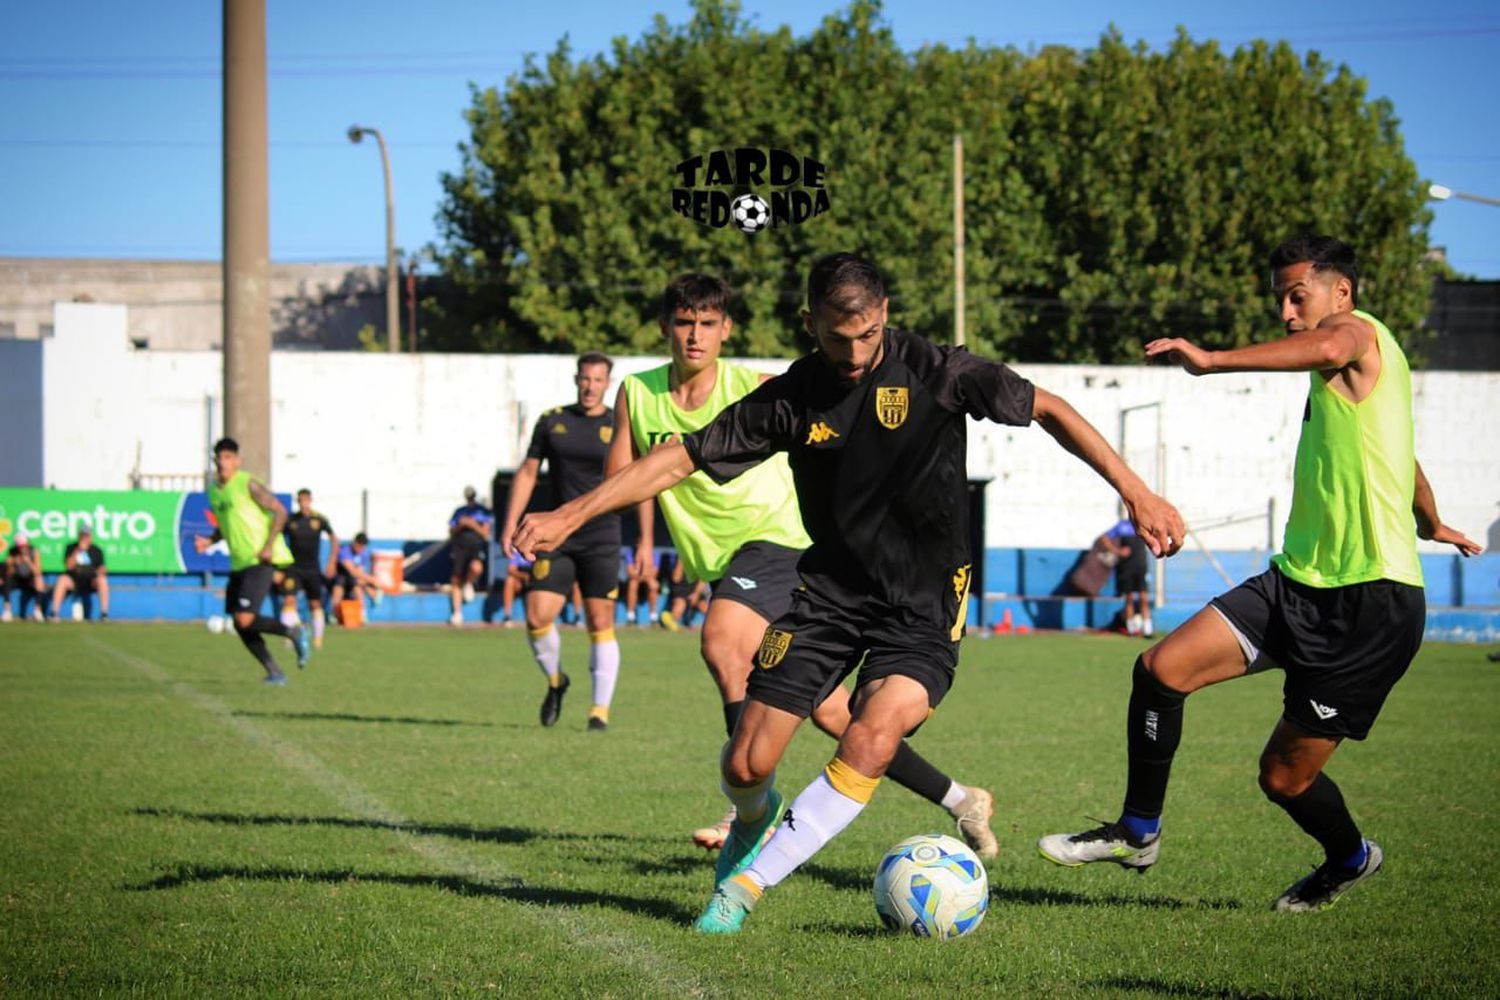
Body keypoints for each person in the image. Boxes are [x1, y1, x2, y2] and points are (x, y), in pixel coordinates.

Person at [514, 254, 1183, 933]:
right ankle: (751, 820)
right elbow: (679, 457)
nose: (856, 352)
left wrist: (1134, 490)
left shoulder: (939, 371)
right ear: (809, 324)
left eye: (867, 334)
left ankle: (743, 888)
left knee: (871, 729)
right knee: (747, 764)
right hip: (829, 594)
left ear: (885, 313)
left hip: (924, 603)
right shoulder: (792, 395)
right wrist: (568, 515)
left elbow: (1050, 408)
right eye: (838, 338)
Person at [1039, 235, 1482, 912]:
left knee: (1283, 778)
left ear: (1342, 292)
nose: (1285, 311)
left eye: (1297, 295)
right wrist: (1431, 522)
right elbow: (1407, 460)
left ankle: (1350, 859)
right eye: (1279, 297)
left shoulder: (1359, 336)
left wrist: (1210, 360)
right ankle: (1138, 830)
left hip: (1370, 607)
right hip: (1295, 583)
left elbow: (1334, 345)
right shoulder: (1350, 386)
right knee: (1160, 671)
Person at [500, 352, 622, 731]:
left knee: (599, 621)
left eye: (598, 380)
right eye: (585, 379)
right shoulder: (552, 421)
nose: (590, 386)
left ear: (608, 384)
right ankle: (557, 680)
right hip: (557, 533)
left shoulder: (620, 424)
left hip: (602, 533)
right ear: (576, 380)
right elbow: (528, 471)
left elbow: (639, 479)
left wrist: (647, 540)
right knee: (537, 615)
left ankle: (599, 712)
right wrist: (510, 525)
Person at [194, 437, 309, 684]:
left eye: (228, 458)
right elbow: (226, 525)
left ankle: (293, 631)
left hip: (259, 559)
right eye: (219, 458)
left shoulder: (247, 484)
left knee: (245, 618)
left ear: (237, 460)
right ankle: (274, 671)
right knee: (239, 623)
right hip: (238, 563)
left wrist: (268, 546)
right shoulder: (214, 491)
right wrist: (209, 541)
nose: (223, 463)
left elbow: (280, 510)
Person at [280, 489, 339, 647]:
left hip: (312, 569)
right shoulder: (291, 520)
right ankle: (289, 637)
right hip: (293, 568)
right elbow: (277, 537)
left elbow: (334, 538)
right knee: (289, 600)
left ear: (310, 500)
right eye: (301, 501)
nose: (303, 504)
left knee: (315, 604)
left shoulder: (319, 519)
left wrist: (331, 561)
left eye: (306, 500)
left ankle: (318, 639)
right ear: (297, 502)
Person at [1097, 517, 1151, 636]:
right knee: (1129, 598)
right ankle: (1131, 629)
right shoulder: (1122, 526)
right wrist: (1117, 551)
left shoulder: (1143, 524)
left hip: (1141, 567)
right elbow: (1104, 538)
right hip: (1127, 568)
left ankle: (1148, 630)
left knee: (1143, 598)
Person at [448, 486, 493, 626]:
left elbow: (485, 533)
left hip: (476, 546)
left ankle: (468, 583)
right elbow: (451, 531)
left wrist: (472, 524)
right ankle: (457, 613)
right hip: (460, 546)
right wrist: (461, 525)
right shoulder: (459, 512)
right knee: (456, 579)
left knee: (476, 568)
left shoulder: (482, 512)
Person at [50, 527, 109, 620]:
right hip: (74, 580)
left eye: (87, 536)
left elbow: (103, 569)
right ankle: (54, 613)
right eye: (83, 535)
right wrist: (78, 551)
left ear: (91, 537)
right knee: (62, 579)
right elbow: (68, 566)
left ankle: (104, 614)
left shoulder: (96, 550)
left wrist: (97, 571)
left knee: (102, 580)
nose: (85, 538)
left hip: (90, 581)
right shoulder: (71, 547)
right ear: (79, 536)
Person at [329, 532, 381, 619]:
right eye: (359, 545)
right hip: (340, 577)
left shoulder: (363, 554)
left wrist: (368, 584)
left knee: (357, 585)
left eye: (363, 546)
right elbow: (351, 571)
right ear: (354, 542)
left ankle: (362, 613)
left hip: (353, 580)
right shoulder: (344, 550)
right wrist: (372, 580)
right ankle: (334, 612)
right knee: (339, 584)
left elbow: (360, 572)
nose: (360, 548)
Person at [5, 534, 47, 621]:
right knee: (7, 579)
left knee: (39, 580)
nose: (22, 548)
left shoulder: (34, 551)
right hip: (17, 579)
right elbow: (9, 572)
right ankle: (7, 610)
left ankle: (37, 611)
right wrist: (13, 563)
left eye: (23, 546)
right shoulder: (13, 551)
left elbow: (38, 572)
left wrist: (28, 562)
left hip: (30, 580)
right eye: (20, 546)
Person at [621, 542, 660, 627]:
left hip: (646, 578)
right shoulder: (630, 552)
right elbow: (631, 572)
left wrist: (644, 575)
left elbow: (654, 573)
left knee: (653, 585)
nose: (641, 545)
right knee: (633, 584)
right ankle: (630, 617)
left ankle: (653, 617)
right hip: (637, 578)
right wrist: (638, 563)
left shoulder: (655, 552)